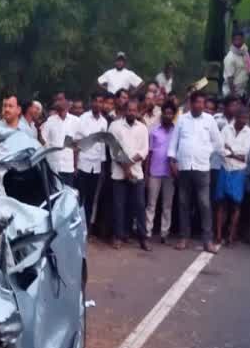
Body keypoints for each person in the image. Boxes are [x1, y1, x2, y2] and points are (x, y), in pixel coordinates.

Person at [168, 90, 224, 253]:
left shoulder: (210, 120)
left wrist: (207, 151)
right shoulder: (182, 120)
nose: (200, 105)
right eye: (197, 102)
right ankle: (184, 238)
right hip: (184, 167)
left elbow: (218, 143)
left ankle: (207, 240)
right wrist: (172, 160)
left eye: (202, 103)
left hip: (202, 168)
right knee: (184, 203)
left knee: (205, 205)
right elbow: (174, 142)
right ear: (191, 104)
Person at [108, 97, 151, 251]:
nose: (132, 112)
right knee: (118, 206)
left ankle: (143, 238)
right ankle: (118, 237)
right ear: (125, 110)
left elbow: (144, 150)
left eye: (134, 110)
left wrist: (130, 166)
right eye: (129, 110)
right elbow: (113, 150)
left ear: (138, 111)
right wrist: (125, 169)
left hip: (136, 174)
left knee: (139, 205)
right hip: (119, 174)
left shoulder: (142, 128)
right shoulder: (114, 126)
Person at [216, 103, 250, 246]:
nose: (244, 121)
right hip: (225, 168)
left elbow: (245, 154)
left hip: (239, 171)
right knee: (221, 203)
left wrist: (230, 151)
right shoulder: (226, 128)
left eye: (246, 118)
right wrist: (234, 153)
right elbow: (220, 149)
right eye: (241, 117)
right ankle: (218, 234)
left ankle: (231, 235)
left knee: (236, 205)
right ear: (236, 117)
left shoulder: (249, 132)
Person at [76, 91, 109, 229]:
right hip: (82, 163)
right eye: (96, 101)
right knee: (79, 198)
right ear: (91, 102)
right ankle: (75, 227)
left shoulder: (104, 121)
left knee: (90, 199)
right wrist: (75, 164)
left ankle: (86, 228)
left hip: (96, 166)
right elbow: (77, 141)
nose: (98, 104)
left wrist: (102, 165)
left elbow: (102, 145)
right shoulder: (83, 118)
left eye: (101, 101)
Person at [146, 101, 177, 244]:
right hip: (154, 171)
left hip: (170, 173)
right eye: (166, 113)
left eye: (171, 113)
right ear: (162, 114)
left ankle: (164, 233)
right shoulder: (154, 130)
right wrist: (146, 174)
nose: (168, 115)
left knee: (167, 205)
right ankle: (147, 231)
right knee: (151, 204)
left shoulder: (177, 131)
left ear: (173, 115)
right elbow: (149, 153)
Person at [40, 92, 81, 186]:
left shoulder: (76, 121)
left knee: (68, 195)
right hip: (53, 167)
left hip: (69, 167)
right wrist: (39, 132)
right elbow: (43, 142)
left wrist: (75, 165)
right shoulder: (50, 121)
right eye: (56, 100)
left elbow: (77, 144)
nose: (58, 102)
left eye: (61, 99)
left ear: (67, 102)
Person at [222, 31, 250, 98]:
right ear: (232, 41)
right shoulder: (230, 57)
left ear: (243, 40)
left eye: (240, 39)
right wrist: (234, 96)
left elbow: (249, 70)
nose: (238, 42)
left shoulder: (244, 52)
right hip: (231, 94)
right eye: (236, 39)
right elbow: (230, 78)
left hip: (242, 92)